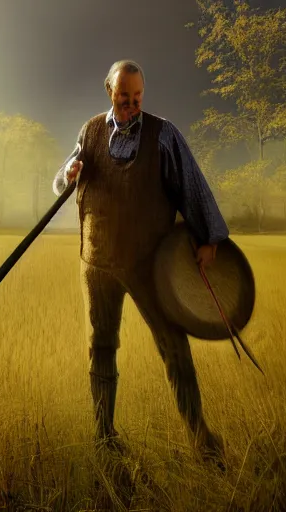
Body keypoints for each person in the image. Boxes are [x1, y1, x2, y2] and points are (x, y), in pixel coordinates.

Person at [52, 60, 229, 464]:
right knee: (101, 345)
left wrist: (210, 237)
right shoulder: (90, 130)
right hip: (97, 263)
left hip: (150, 263)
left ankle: (200, 437)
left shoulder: (164, 134)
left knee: (173, 346)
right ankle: (104, 435)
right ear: (109, 94)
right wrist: (70, 171)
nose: (131, 106)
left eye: (137, 98)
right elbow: (62, 180)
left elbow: (193, 186)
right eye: (123, 99)